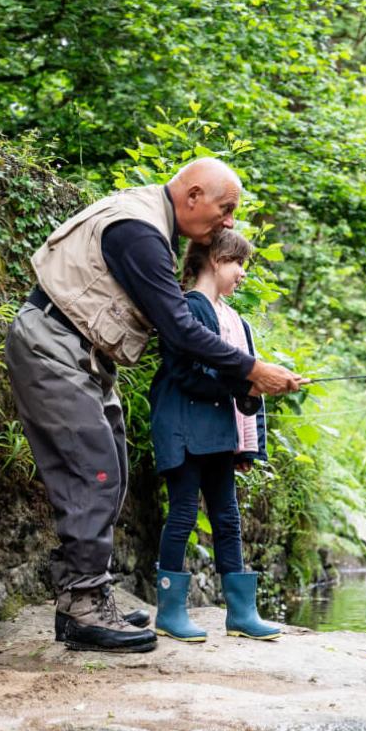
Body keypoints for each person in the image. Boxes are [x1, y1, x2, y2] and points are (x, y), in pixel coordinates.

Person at [4, 159, 306, 653]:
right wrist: (252, 370)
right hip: (55, 345)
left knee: (112, 469)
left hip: (82, 353)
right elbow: (181, 330)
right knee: (93, 471)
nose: (229, 221)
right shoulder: (139, 231)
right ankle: (83, 605)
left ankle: (86, 596)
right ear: (191, 196)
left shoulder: (150, 223)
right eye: (225, 208)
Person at [147, 229, 282, 642]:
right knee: (184, 514)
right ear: (215, 260)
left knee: (228, 519)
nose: (242, 273)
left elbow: (243, 378)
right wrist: (243, 385)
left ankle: (241, 613)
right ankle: (170, 612)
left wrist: (247, 436)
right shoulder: (189, 309)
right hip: (184, 430)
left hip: (219, 436)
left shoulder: (235, 320)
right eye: (238, 263)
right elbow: (186, 373)